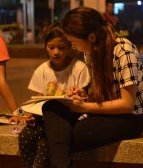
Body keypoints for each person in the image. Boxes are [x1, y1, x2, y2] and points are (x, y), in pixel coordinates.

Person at [41, 7, 143, 168]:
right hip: (103, 108)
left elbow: (127, 104)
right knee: (51, 106)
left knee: (67, 136)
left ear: (91, 37)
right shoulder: (91, 52)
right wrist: (83, 94)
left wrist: (84, 106)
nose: (73, 47)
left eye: (74, 43)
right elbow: (98, 91)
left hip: (129, 118)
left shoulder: (123, 51)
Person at [18, 21, 90, 168]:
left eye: (61, 48)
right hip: (45, 119)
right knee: (25, 136)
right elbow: (38, 100)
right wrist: (33, 115)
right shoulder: (42, 70)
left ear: (69, 46)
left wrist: (79, 95)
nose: (56, 52)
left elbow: (86, 97)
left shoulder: (79, 68)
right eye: (51, 47)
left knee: (46, 139)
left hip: (71, 117)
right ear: (45, 47)